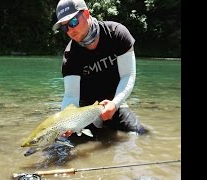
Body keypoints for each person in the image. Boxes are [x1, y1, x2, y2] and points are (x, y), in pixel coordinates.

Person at [52, 0, 148, 137]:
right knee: (68, 146)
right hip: (84, 109)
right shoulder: (70, 55)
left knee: (141, 135)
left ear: (85, 13)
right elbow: (71, 96)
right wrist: (67, 120)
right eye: (64, 27)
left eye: (72, 23)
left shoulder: (117, 34)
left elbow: (128, 76)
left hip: (113, 102)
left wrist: (115, 104)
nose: (70, 30)